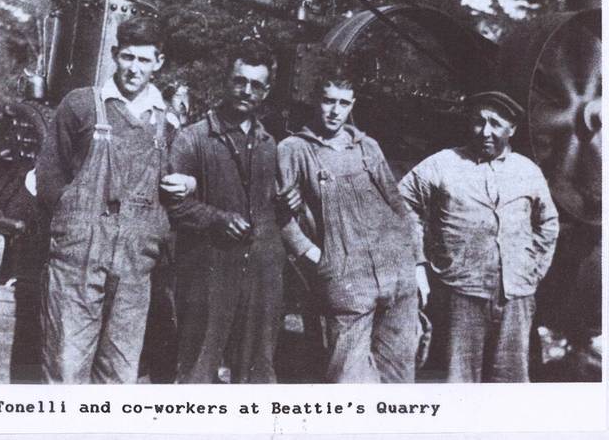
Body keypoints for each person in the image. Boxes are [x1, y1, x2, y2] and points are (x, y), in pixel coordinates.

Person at [35, 16, 191, 383]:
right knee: (65, 369)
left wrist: (188, 184)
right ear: (114, 55)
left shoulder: (168, 123)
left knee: (119, 375)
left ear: (159, 63)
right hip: (78, 261)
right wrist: (73, 229)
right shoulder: (81, 105)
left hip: (135, 267)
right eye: (127, 58)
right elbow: (47, 178)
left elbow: (178, 185)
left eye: (144, 60)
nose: (134, 69)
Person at [276, 66, 424, 383]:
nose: (335, 111)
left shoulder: (367, 146)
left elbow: (397, 204)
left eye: (343, 103)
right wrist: (318, 258)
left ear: (352, 104)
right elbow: (283, 219)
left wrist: (418, 264)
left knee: (398, 379)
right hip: (347, 284)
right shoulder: (293, 150)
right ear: (316, 101)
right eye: (328, 101)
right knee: (348, 381)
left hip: (397, 274)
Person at [399, 91, 559, 383]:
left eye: (495, 124)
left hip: (516, 297)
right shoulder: (443, 164)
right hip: (462, 293)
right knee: (459, 382)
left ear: (512, 130)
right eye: (478, 122)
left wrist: (533, 270)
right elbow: (401, 203)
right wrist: (419, 262)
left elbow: (548, 222)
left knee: (510, 381)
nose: (486, 131)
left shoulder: (528, 171)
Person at [167, 41, 286, 383]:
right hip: (208, 270)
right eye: (239, 81)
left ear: (265, 92)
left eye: (256, 85)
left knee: (257, 371)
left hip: (260, 273)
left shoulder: (269, 144)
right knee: (197, 369)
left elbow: (271, 204)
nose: (246, 91)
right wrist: (217, 219)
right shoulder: (193, 138)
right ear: (226, 80)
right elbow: (175, 206)